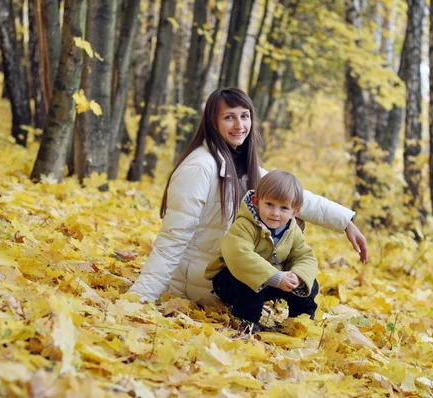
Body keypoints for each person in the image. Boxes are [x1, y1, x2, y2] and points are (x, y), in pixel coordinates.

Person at [129, 87, 368, 305]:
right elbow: (172, 239)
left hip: (228, 280)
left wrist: (345, 222)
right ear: (213, 122)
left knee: (287, 228)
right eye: (229, 117)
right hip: (200, 286)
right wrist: (140, 298)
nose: (239, 125)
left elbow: (294, 198)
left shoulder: (242, 166)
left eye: (244, 116)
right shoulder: (199, 167)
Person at [205, 170, 319, 331]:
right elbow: (239, 255)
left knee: (308, 282)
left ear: (295, 212)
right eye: (269, 204)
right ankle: (246, 321)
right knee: (247, 281)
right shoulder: (245, 225)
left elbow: (304, 255)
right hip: (231, 280)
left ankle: (299, 323)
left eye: (284, 208)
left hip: (271, 280)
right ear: (257, 201)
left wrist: (297, 276)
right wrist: (275, 277)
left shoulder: (292, 231)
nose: (275, 213)